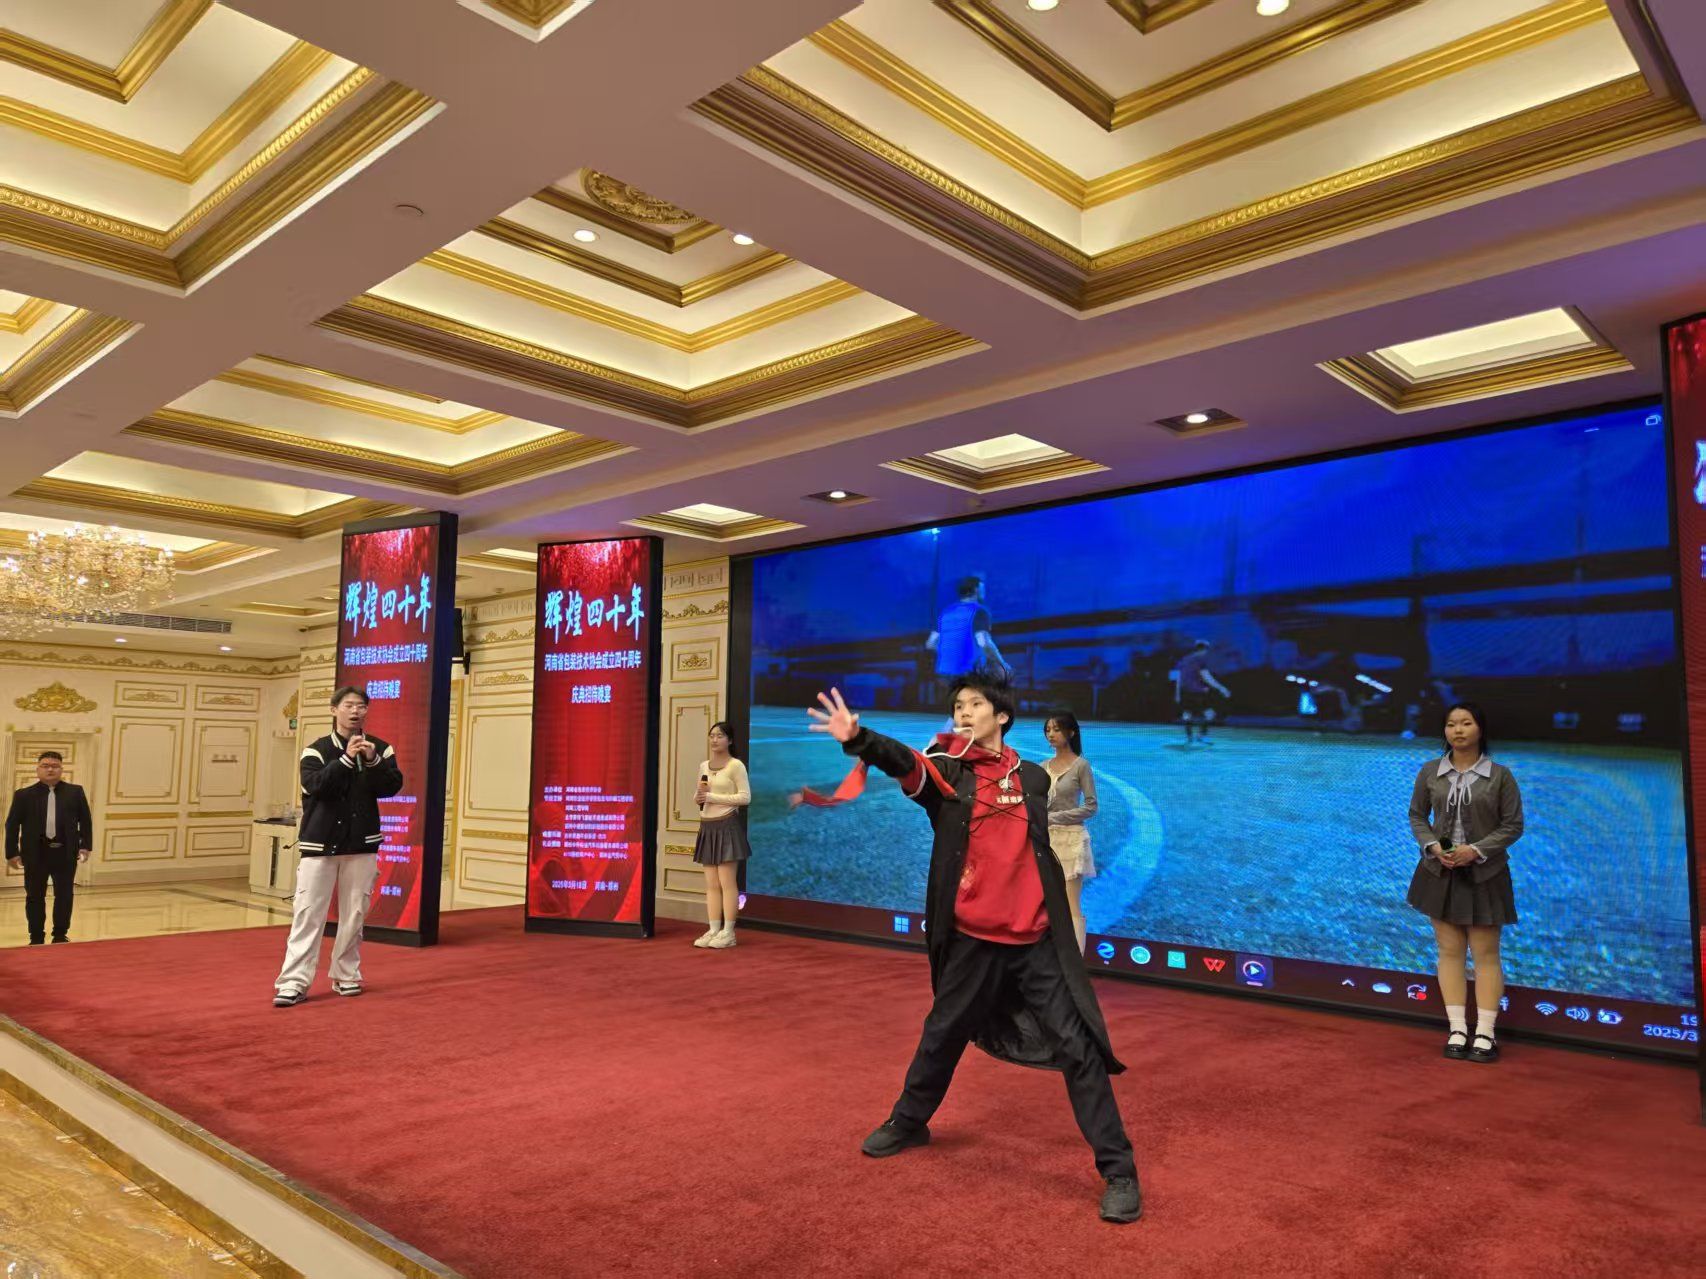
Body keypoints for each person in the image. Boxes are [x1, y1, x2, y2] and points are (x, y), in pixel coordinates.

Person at [805, 679, 1141, 1224]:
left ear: (1002, 716)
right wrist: (860, 739)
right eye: (957, 706)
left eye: (975, 705)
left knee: (1078, 1050)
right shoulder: (947, 772)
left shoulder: (1033, 777)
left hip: (1036, 941)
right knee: (942, 1034)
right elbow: (906, 764)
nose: (963, 713)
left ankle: (1119, 1171)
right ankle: (909, 1121)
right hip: (973, 940)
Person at [1406, 703, 1524, 1064]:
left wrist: (1475, 851)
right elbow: (1417, 816)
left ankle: (1485, 1032)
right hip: (1439, 871)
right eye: (1451, 724)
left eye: (1466, 723)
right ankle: (1457, 1029)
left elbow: (1512, 825)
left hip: (1486, 874)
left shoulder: (1500, 776)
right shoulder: (1430, 771)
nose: (1458, 730)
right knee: (1449, 951)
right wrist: (1437, 848)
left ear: (1480, 729)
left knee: (1486, 954)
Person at [273, 687, 403, 1007]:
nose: (355, 711)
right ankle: (293, 982)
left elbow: (391, 786)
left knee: (355, 914)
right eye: (348, 706)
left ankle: (346, 974)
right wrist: (345, 759)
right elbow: (316, 786)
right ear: (334, 710)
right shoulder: (315, 751)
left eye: (361, 706)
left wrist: (371, 760)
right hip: (320, 844)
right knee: (308, 914)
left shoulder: (380, 749)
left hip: (362, 844)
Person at [5, 751, 93, 945]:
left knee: (64, 895)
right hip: (35, 854)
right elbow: (12, 825)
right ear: (38, 769)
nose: (50, 769)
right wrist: (12, 853)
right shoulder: (23, 795)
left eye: (55, 766)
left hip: (65, 852)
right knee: (34, 896)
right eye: (45, 766)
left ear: (61, 769)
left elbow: (85, 821)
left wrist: (85, 846)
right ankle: (36, 936)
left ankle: (60, 934)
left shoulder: (75, 792)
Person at [692, 721, 752, 950]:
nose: (714, 740)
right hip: (707, 826)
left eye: (720, 736)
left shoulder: (736, 766)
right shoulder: (703, 766)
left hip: (727, 825)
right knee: (711, 883)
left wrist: (712, 797)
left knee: (727, 882)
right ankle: (713, 929)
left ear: (730, 740)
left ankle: (729, 932)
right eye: (712, 735)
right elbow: (698, 796)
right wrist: (700, 796)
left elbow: (745, 797)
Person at [1043, 712, 1097, 954]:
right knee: (1045, 902)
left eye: (1056, 729)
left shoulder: (1081, 766)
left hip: (1071, 839)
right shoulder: (1043, 767)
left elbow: (1091, 806)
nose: (1051, 734)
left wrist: (1054, 818)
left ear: (1071, 733)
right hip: (1045, 839)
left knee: (1071, 904)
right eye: (1048, 730)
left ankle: (1075, 961)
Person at [925, 575, 1011, 692]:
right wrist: (1002, 664)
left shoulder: (945, 613)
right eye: (982, 589)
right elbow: (984, 642)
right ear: (976, 590)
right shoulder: (978, 611)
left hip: (943, 673)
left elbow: (930, 644)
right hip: (969, 673)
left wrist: (950, 654)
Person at [1175, 639, 1229, 744]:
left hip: (1184, 691)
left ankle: (1189, 737)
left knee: (1187, 714)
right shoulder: (1200, 660)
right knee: (1210, 714)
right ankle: (1202, 736)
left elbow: (1178, 677)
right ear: (1204, 649)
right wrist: (1221, 688)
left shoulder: (1184, 659)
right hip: (1197, 692)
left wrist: (1177, 694)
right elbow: (1206, 677)